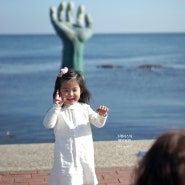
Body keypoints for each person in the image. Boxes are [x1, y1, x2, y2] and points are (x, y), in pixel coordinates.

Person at [43, 67, 109, 185]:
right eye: (66, 90)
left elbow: (98, 123)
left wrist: (102, 115)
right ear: (59, 91)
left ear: (81, 90)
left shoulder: (85, 108)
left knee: (85, 178)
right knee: (68, 179)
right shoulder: (58, 111)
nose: (70, 94)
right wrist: (56, 107)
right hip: (65, 156)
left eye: (74, 90)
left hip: (84, 155)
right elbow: (48, 124)